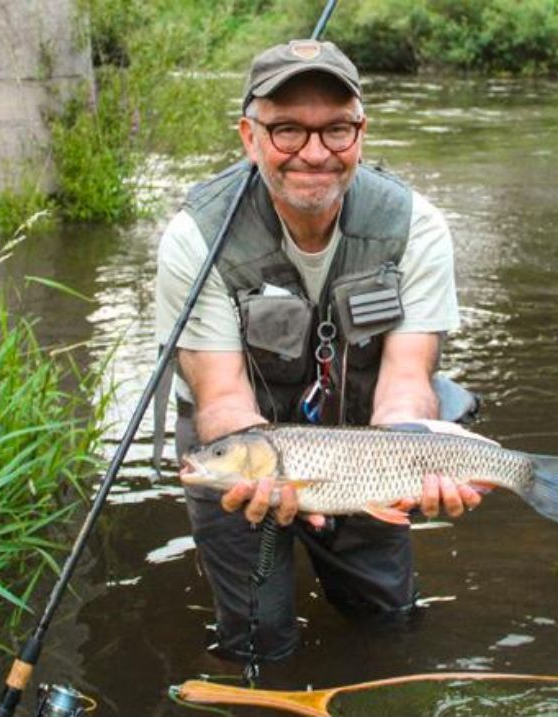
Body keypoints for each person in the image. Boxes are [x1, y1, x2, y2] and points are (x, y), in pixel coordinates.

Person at [154, 39, 480, 662]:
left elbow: (408, 380)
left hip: (367, 451)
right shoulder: (196, 237)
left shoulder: (417, 226)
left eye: (336, 129)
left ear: (360, 131)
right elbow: (219, 396)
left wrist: (422, 461)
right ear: (248, 137)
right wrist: (250, 464)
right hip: (246, 451)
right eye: (286, 131)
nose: (314, 153)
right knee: (259, 641)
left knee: (387, 621)